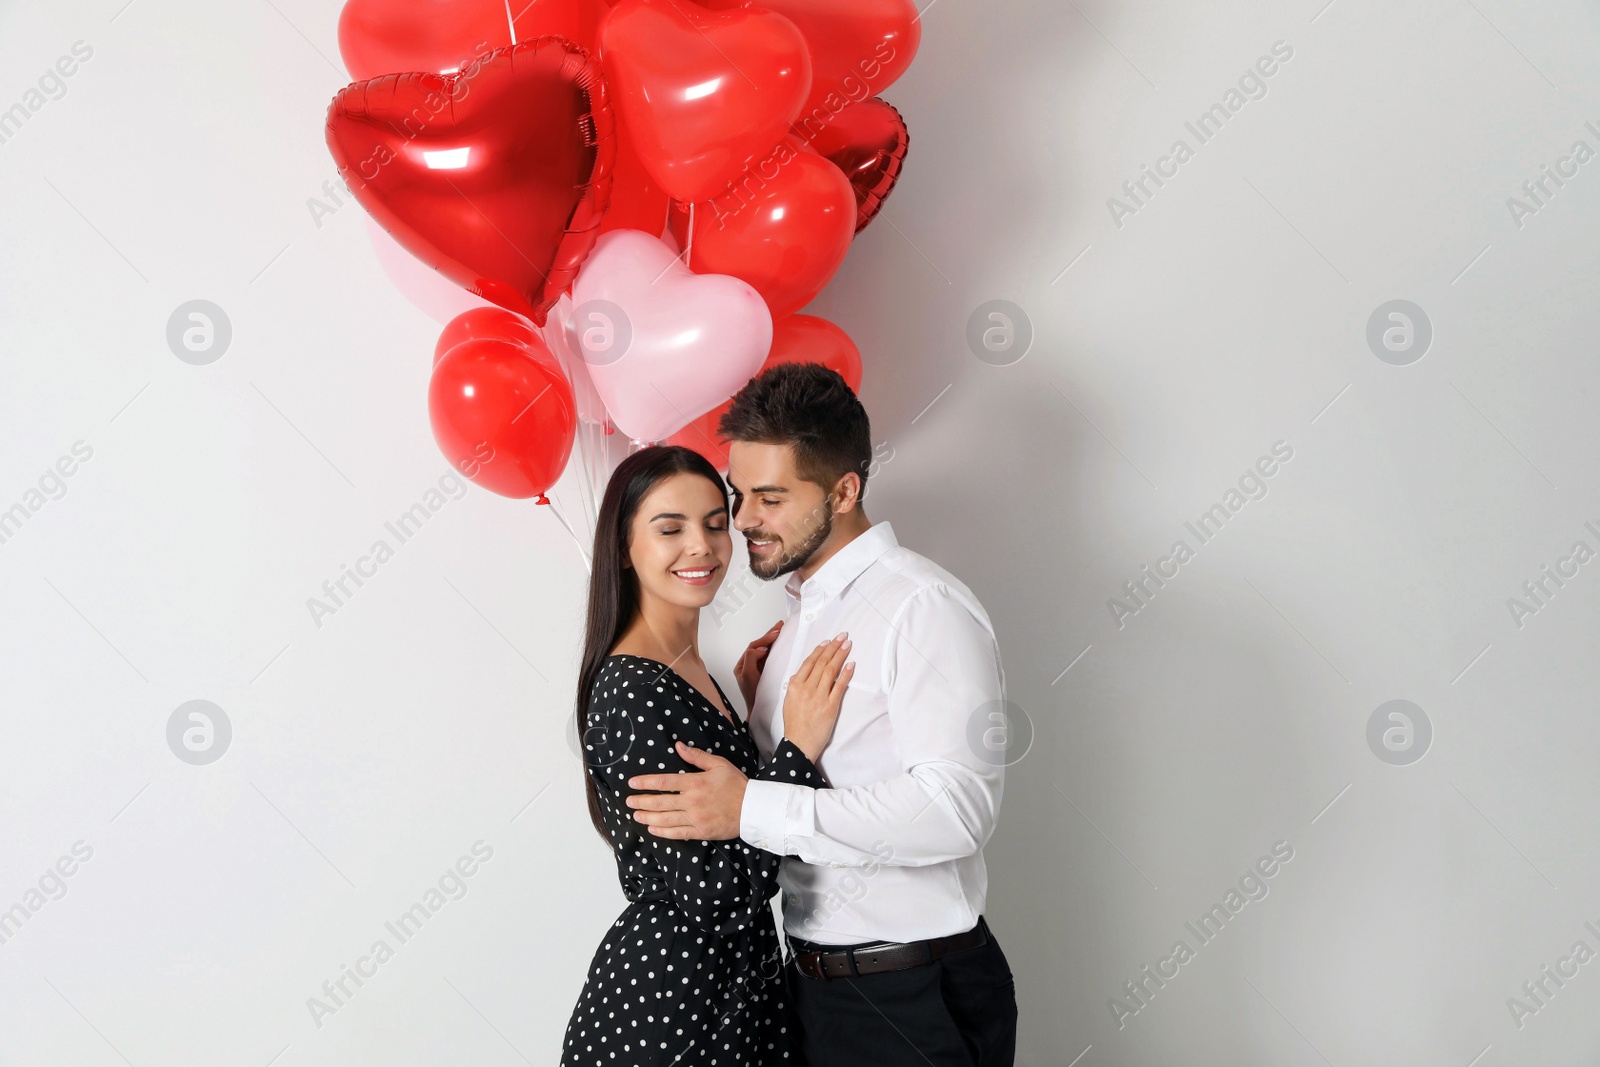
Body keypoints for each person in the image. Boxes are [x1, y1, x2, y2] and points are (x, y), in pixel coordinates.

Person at [624, 364, 1019, 1066]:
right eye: (740, 493)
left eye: (769, 498)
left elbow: (957, 809)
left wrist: (751, 806)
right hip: (809, 994)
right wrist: (757, 717)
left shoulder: (921, 607)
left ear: (844, 491)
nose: (742, 519)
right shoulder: (798, 619)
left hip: (911, 994)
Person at [561, 444, 856, 1067]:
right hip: (674, 1009)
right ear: (622, 547)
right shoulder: (633, 690)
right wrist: (798, 748)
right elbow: (718, 889)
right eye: (670, 528)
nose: (702, 546)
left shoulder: (691, 666)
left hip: (733, 993)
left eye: (716, 524)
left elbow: (722, 812)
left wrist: (755, 719)